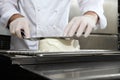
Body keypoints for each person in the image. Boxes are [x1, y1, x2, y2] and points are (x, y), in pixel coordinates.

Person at [0, 0, 107, 50]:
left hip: (58, 49)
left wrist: (91, 15)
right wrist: (14, 17)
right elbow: (5, 2)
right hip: (24, 48)